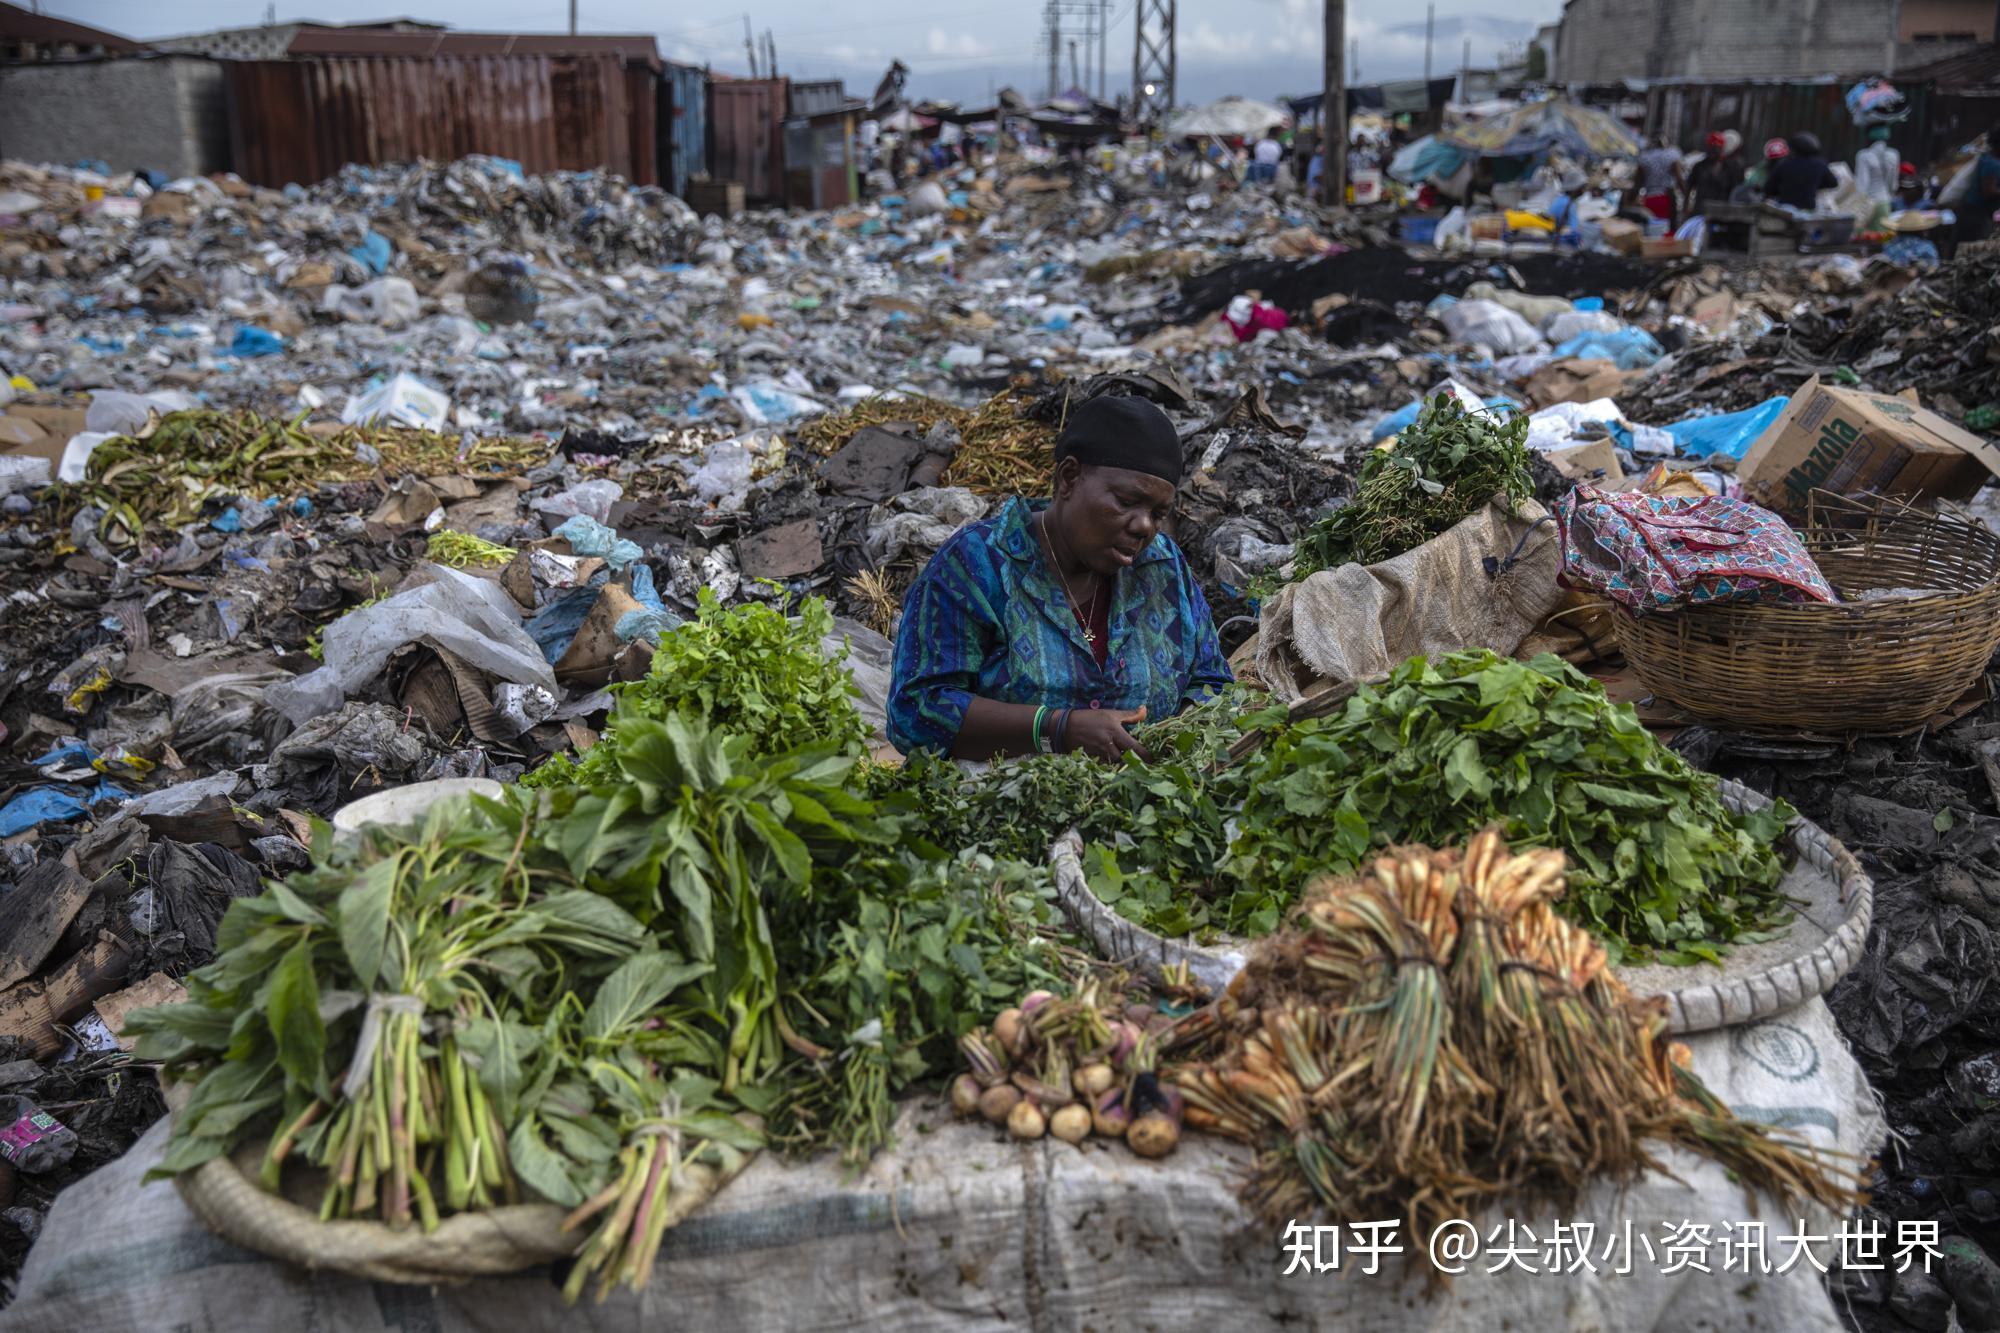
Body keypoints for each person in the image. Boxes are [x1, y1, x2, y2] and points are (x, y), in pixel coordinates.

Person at [887, 396, 1233, 763]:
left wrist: (1174, 740)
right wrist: (1057, 729)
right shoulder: (977, 565)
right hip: (1001, 808)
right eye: (1127, 501)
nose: (1144, 526)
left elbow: (1212, 681)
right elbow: (916, 711)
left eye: (1158, 513)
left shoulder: (1163, 568)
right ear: (1068, 478)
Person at [1766, 131, 1837, 211]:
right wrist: (1814, 184)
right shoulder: (1820, 164)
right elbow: (1833, 183)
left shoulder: (1785, 164)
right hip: (1808, 209)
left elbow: (1769, 189)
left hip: (1785, 209)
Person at [1953, 130, 2000, 246]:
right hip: (1977, 215)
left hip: (1972, 212)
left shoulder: (1986, 159)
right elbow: (1988, 191)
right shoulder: (1992, 163)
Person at [1686, 130, 1743, 210]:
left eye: (1716, 148)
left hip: (1721, 214)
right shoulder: (1699, 167)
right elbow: (1688, 189)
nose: (1713, 151)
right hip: (1700, 212)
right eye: (1711, 148)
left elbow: (1735, 193)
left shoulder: (1730, 169)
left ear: (1721, 149)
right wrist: (1686, 210)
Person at [1636, 134, 1683, 222]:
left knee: (1651, 229)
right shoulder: (1672, 155)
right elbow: (1679, 179)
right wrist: (1686, 195)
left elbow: (1637, 183)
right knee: (1666, 230)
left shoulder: (1645, 157)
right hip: (1666, 198)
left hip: (1650, 198)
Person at [1853, 126, 1900, 205]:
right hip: (1886, 204)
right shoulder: (1894, 154)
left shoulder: (1863, 155)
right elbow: (1893, 186)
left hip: (1870, 204)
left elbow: (1862, 186)